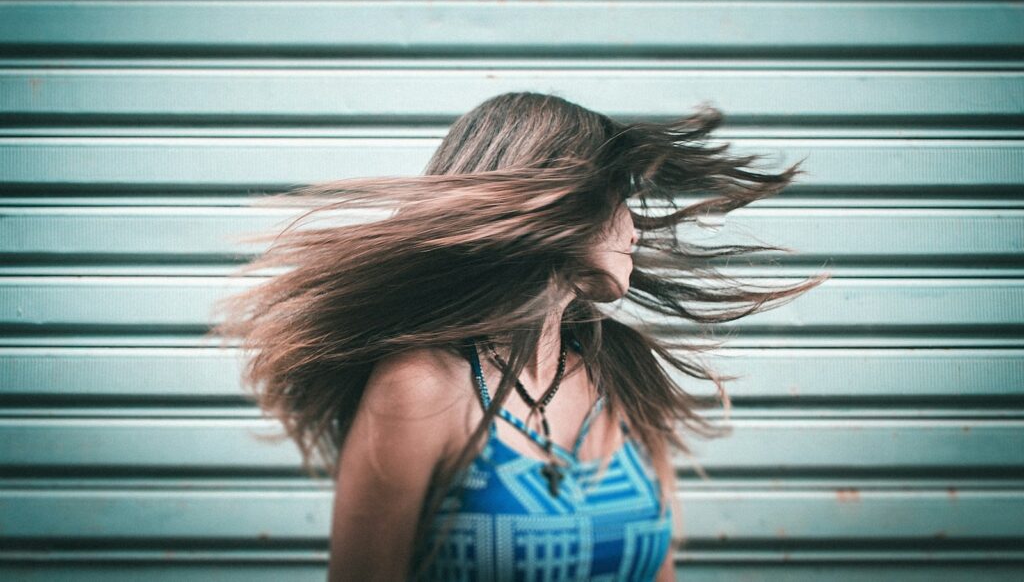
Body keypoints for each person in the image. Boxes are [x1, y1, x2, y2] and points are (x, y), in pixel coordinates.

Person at [211, 92, 827, 580]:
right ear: (562, 204)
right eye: (618, 199)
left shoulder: (625, 372)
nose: (634, 227)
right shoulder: (421, 387)